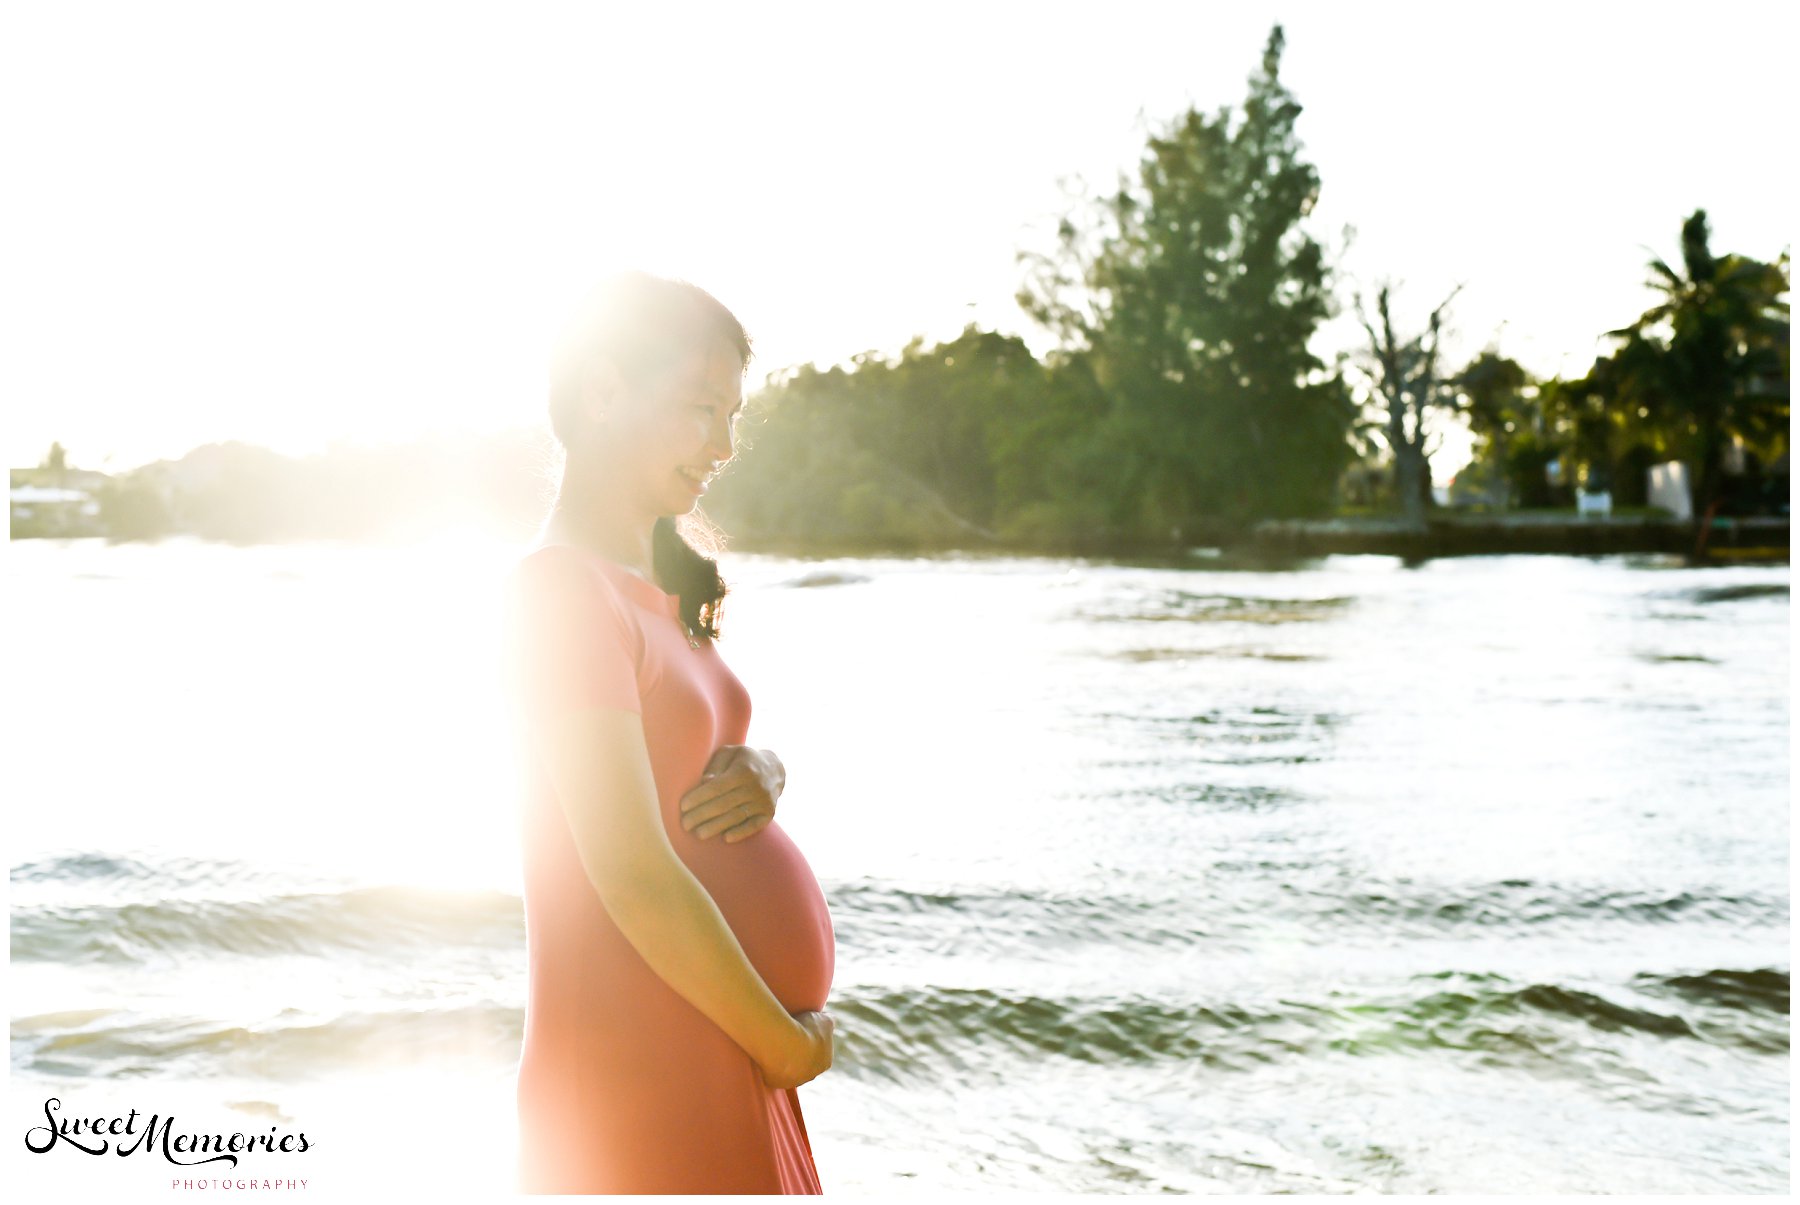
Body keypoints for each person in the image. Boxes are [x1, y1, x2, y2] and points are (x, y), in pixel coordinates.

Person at [503, 270, 836, 1193]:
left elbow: (690, 755)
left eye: (734, 415)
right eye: (701, 407)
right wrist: (786, 1043)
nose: (725, 444)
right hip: (641, 1075)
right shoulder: (563, 592)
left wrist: (766, 767)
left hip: (717, 1042)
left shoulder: (654, 590)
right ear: (605, 391)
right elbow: (633, 872)